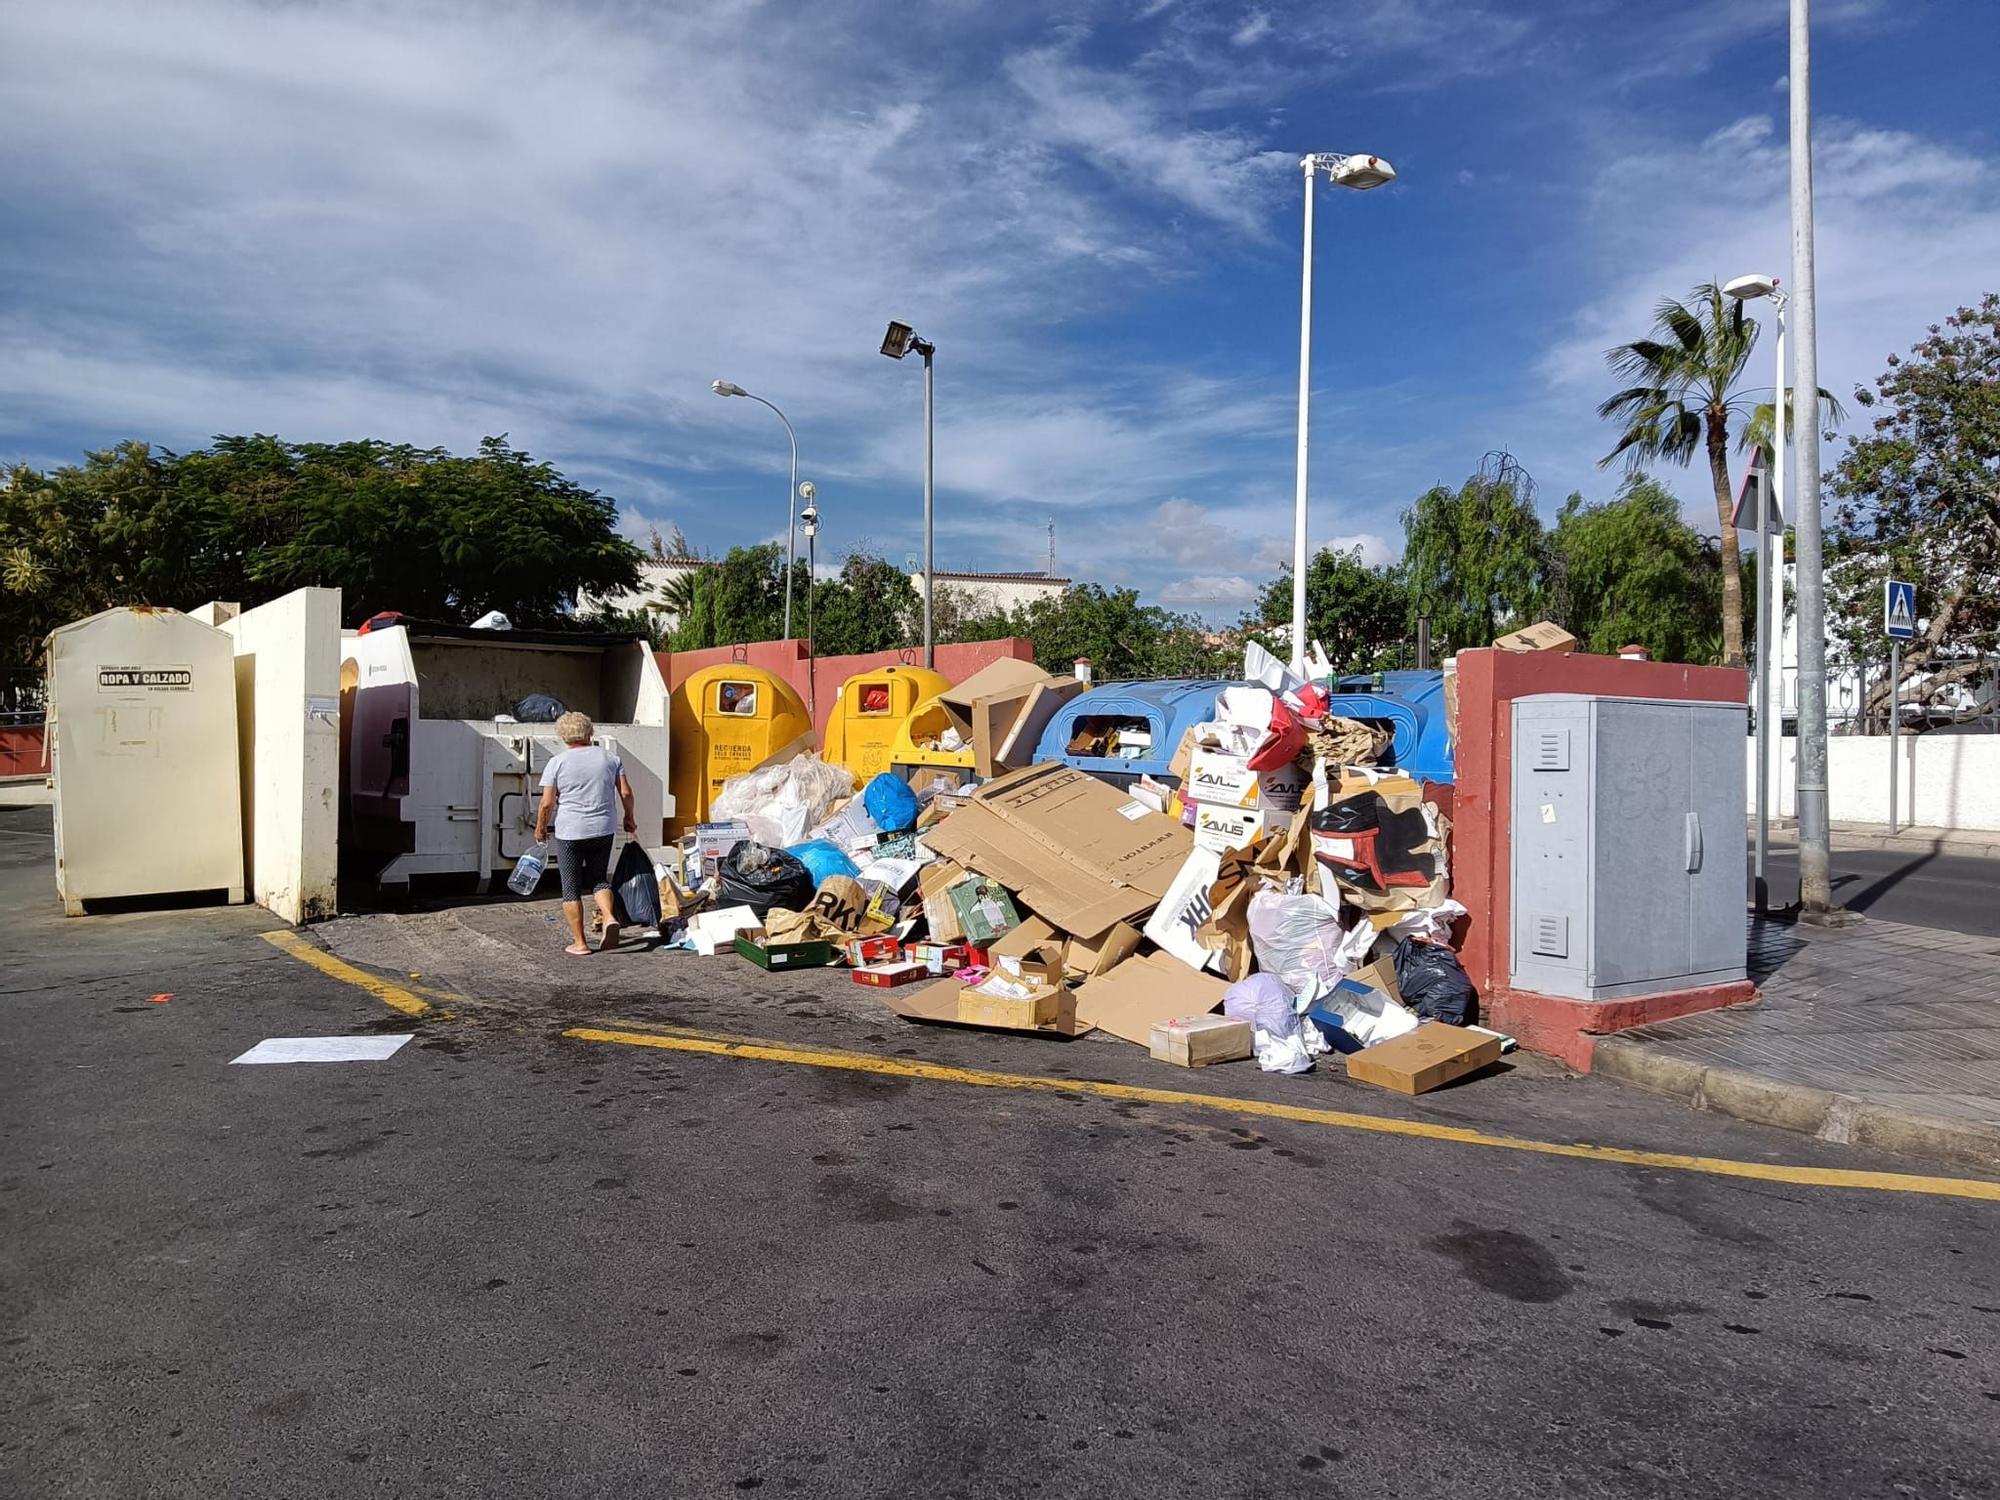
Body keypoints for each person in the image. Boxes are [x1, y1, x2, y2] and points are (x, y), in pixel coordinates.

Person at [533, 711, 637, 956]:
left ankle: (580, 943)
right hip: (603, 828)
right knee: (599, 878)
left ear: (564, 737)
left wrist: (540, 828)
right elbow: (625, 793)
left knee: (570, 886)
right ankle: (610, 917)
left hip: (570, 831)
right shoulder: (610, 758)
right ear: (590, 733)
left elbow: (547, 803)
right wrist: (629, 817)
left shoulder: (557, 762)